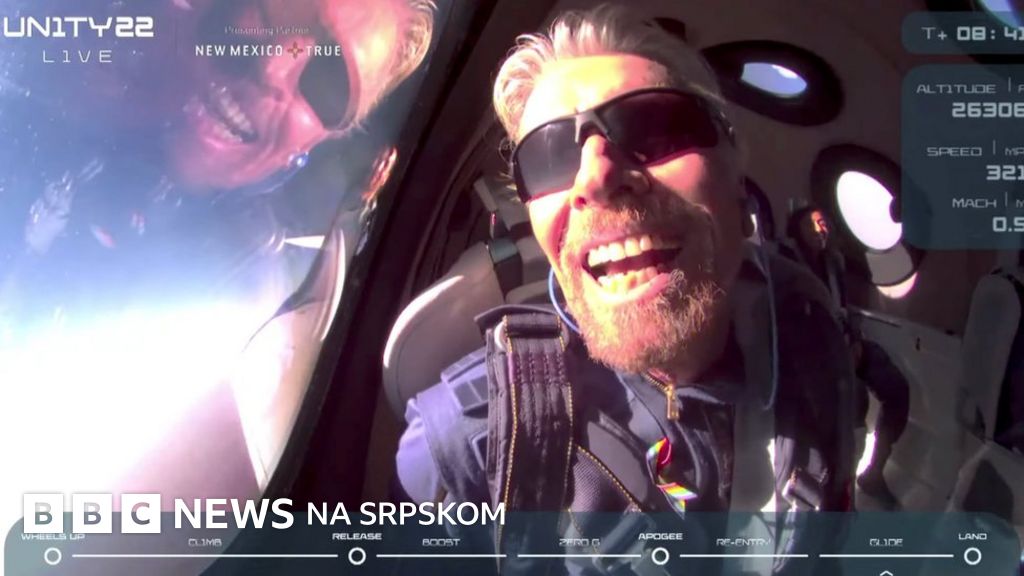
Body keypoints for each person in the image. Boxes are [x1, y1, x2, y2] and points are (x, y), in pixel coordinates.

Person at [396, 5, 855, 573]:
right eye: (548, 157)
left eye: (653, 129)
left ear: (739, 185)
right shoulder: (465, 447)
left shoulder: (811, 332)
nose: (595, 177)